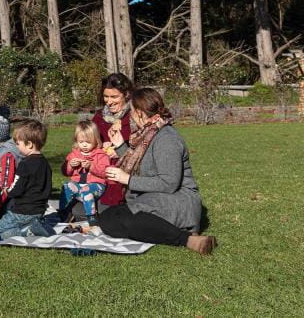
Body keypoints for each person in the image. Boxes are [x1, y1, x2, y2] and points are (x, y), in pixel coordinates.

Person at [94, 88, 217, 254]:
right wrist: (121, 146)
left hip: (178, 201)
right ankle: (176, 233)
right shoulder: (147, 134)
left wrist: (127, 179)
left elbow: (169, 183)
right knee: (109, 218)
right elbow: (144, 167)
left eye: (131, 112)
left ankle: (188, 239)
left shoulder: (166, 138)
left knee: (120, 220)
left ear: (139, 113)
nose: (129, 116)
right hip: (158, 198)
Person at [0, 119, 53, 243]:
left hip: (22, 211)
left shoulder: (25, 164)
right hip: (39, 210)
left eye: (18, 143)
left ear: (29, 144)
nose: (16, 147)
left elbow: (15, 189)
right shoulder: (45, 163)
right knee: (13, 224)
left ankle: (28, 231)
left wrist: (7, 190)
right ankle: (35, 225)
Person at [90, 73, 136, 208]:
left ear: (126, 94)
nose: (109, 101)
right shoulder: (99, 117)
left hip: (125, 173)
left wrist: (121, 150)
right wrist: (99, 147)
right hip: (100, 171)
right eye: (106, 96)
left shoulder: (135, 116)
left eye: (114, 97)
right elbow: (87, 140)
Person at [58, 120, 112, 222]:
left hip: (96, 186)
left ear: (96, 140)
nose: (84, 145)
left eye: (88, 142)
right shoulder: (74, 154)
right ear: (76, 141)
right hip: (78, 185)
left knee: (86, 191)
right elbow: (65, 172)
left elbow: (105, 172)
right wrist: (70, 165)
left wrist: (91, 166)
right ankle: (64, 212)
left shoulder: (100, 155)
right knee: (66, 187)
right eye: (81, 142)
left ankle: (91, 217)